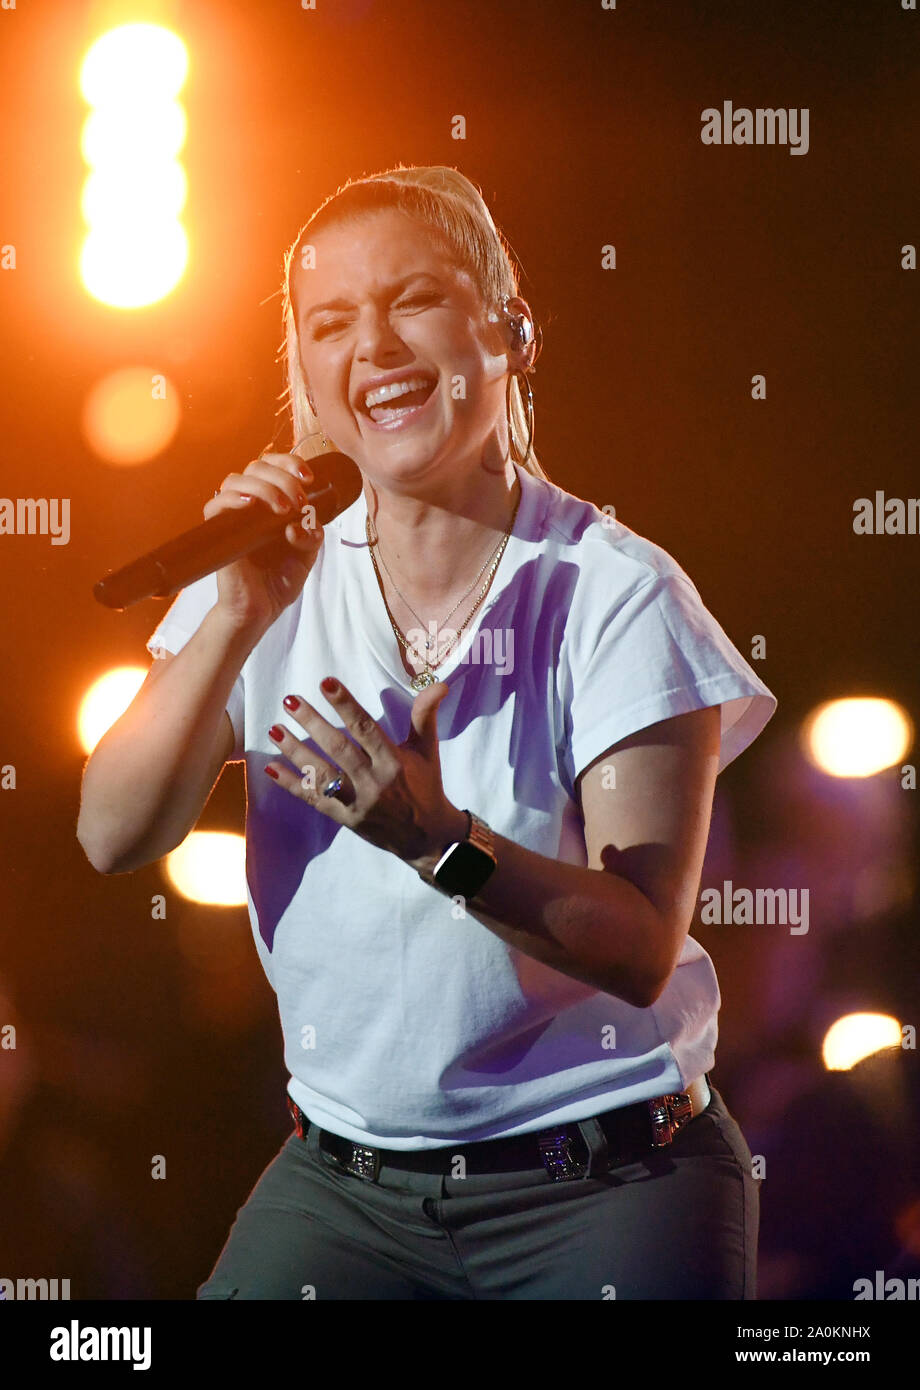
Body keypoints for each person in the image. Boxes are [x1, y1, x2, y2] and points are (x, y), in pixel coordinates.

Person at [77, 164, 777, 1300]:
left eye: (412, 301)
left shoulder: (612, 593)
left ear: (511, 330)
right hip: (347, 1188)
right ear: (304, 376)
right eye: (332, 323)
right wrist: (235, 618)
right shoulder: (267, 576)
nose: (376, 346)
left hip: (601, 1179)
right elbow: (111, 834)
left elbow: (640, 944)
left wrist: (429, 835)